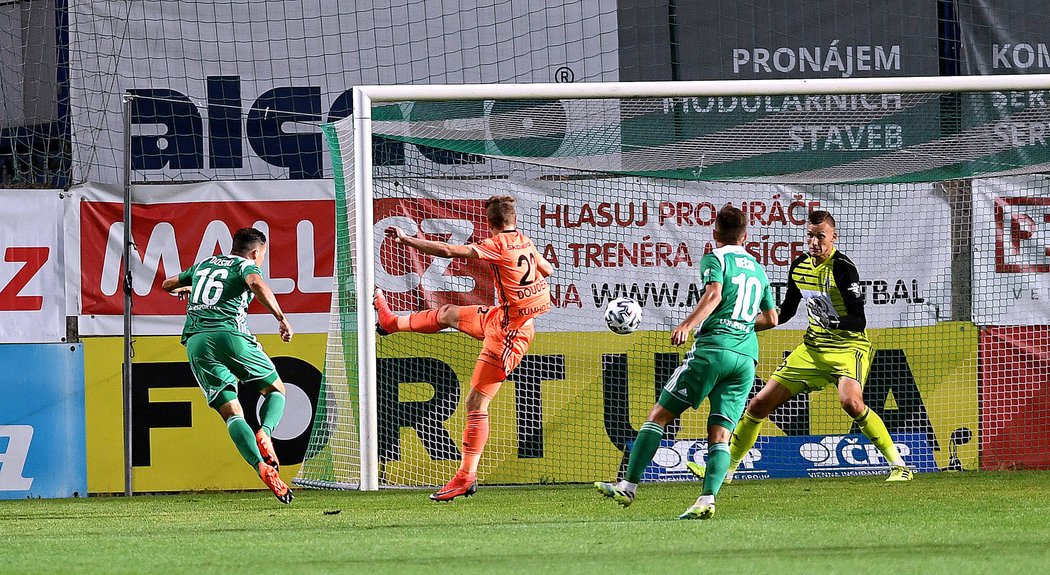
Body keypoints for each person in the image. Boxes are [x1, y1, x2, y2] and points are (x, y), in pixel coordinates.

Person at [595, 205, 778, 520]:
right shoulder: (758, 269)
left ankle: (629, 485)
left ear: (715, 234)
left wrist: (687, 325)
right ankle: (707, 500)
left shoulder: (715, 258)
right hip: (746, 358)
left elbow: (714, 294)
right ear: (745, 236)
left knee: (658, 416)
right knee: (721, 434)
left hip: (712, 352)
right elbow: (772, 319)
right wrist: (743, 325)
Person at [375, 194, 553, 501]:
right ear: (514, 220)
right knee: (447, 314)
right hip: (501, 318)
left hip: (510, 334)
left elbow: (447, 250)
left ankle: (466, 476)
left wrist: (408, 240)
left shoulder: (497, 245)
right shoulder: (525, 240)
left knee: (475, 403)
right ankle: (391, 323)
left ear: (489, 223)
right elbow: (547, 270)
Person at [723, 210, 913, 483]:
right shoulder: (799, 266)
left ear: (833, 237)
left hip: (849, 347)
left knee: (851, 402)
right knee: (757, 405)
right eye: (810, 236)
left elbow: (858, 320)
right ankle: (725, 472)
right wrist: (740, 325)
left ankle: (899, 466)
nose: (814, 242)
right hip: (812, 349)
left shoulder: (843, 268)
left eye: (820, 236)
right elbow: (785, 313)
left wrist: (833, 323)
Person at [161, 227, 295, 504]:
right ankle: (265, 432)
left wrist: (190, 287)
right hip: (230, 335)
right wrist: (280, 317)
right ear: (256, 252)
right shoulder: (245, 265)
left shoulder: (205, 263)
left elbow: (167, 284)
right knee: (276, 390)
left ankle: (261, 467)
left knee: (233, 413)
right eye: (262, 256)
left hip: (197, 342)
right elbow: (257, 283)